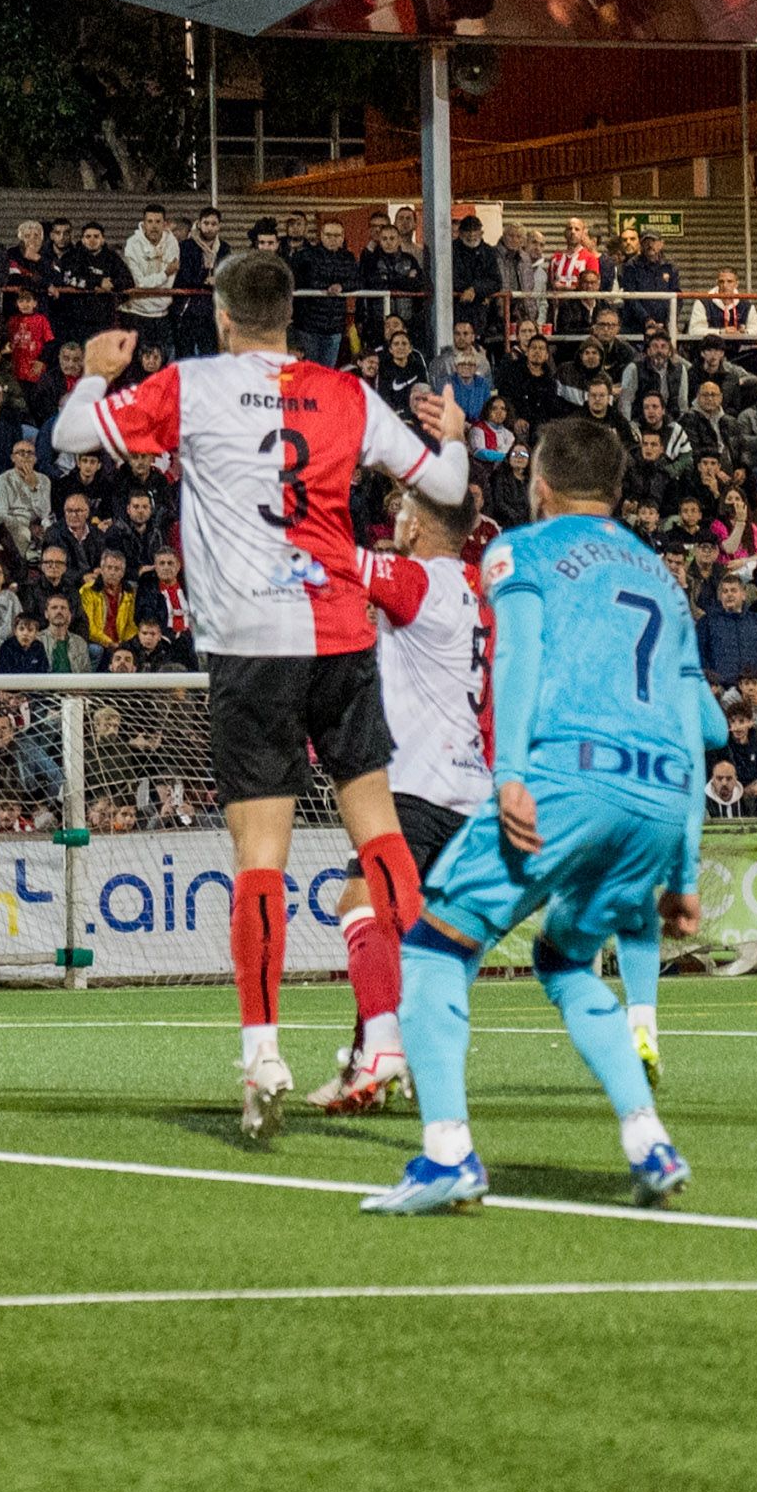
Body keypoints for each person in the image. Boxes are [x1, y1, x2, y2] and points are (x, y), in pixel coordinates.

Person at [55, 249, 469, 1141]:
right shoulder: (348, 393)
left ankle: (263, 1050)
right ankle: (390, 1036)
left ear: (220, 314)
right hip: (341, 636)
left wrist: (92, 380)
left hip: (252, 646)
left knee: (261, 857)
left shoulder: (193, 384)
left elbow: (72, 441)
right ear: (291, 316)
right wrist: (455, 431)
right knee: (380, 835)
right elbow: (449, 489)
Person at [361, 416, 699, 1212]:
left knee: (436, 950)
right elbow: (689, 718)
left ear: (539, 485)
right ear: (617, 492)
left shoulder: (523, 549)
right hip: (655, 797)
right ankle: (647, 1139)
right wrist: (683, 862)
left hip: (565, 778)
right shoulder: (663, 576)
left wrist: (511, 772)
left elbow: (518, 652)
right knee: (565, 960)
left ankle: (447, 1154)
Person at [314, 478, 483, 1113]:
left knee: (358, 906)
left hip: (414, 787)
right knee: (404, 938)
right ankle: (371, 1062)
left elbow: (333, 555)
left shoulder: (418, 582)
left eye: (404, 512)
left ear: (415, 528)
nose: (397, 521)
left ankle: (384, 1049)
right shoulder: (480, 589)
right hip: (471, 792)